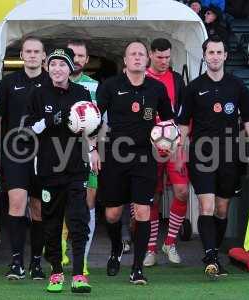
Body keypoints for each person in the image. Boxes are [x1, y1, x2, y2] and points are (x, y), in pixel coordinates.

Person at [178, 35, 249, 279]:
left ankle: (214, 252)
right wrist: (179, 153)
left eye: (218, 52)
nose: (214, 56)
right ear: (204, 56)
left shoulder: (238, 86)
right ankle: (211, 258)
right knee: (207, 205)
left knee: (222, 210)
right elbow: (183, 125)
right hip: (201, 153)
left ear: (225, 56)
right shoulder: (193, 87)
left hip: (229, 155)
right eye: (210, 52)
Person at [96, 41, 174, 285]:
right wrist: (92, 149)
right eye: (133, 54)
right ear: (125, 60)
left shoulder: (157, 89)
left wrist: (169, 144)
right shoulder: (110, 86)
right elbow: (94, 120)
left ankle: (137, 268)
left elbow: (168, 123)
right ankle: (116, 247)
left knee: (142, 212)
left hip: (145, 157)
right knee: (112, 214)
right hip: (115, 156)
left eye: (141, 54)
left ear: (147, 59)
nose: (138, 58)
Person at [25, 48, 99, 293]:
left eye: (62, 65)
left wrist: (93, 143)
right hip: (48, 169)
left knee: (78, 220)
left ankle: (78, 274)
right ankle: (56, 272)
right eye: (53, 64)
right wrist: (50, 120)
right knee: (52, 223)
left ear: (71, 68)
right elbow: (28, 129)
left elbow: (93, 127)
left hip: (77, 167)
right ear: (48, 67)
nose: (57, 69)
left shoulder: (81, 93)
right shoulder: (38, 93)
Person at [0, 36, 47, 280]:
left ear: (44, 56)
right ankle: (16, 262)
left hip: (47, 156)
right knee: (16, 202)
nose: (32, 55)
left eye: (37, 52)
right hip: (15, 153)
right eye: (28, 51)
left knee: (38, 208)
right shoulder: (7, 83)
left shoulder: (53, 82)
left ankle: (35, 262)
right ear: (22, 55)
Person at [143, 38, 189, 267]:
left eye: (167, 57)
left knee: (181, 192)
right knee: (152, 196)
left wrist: (179, 146)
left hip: (173, 146)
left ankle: (169, 242)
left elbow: (183, 115)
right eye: (159, 57)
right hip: (148, 149)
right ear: (150, 54)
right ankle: (150, 248)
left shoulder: (177, 79)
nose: (163, 61)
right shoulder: (141, 78)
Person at [59, 39, 99, 277]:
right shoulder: (53, 83)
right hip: (57, 153)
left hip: (86, 152)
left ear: (86, 59)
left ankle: (81, 258)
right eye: (72, 54)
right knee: (61, 201)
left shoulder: (94, 86)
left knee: (88, 204)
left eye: (81, 55)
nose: (76, 59)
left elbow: (99, 122)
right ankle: (61, 245)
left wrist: (95, 150)